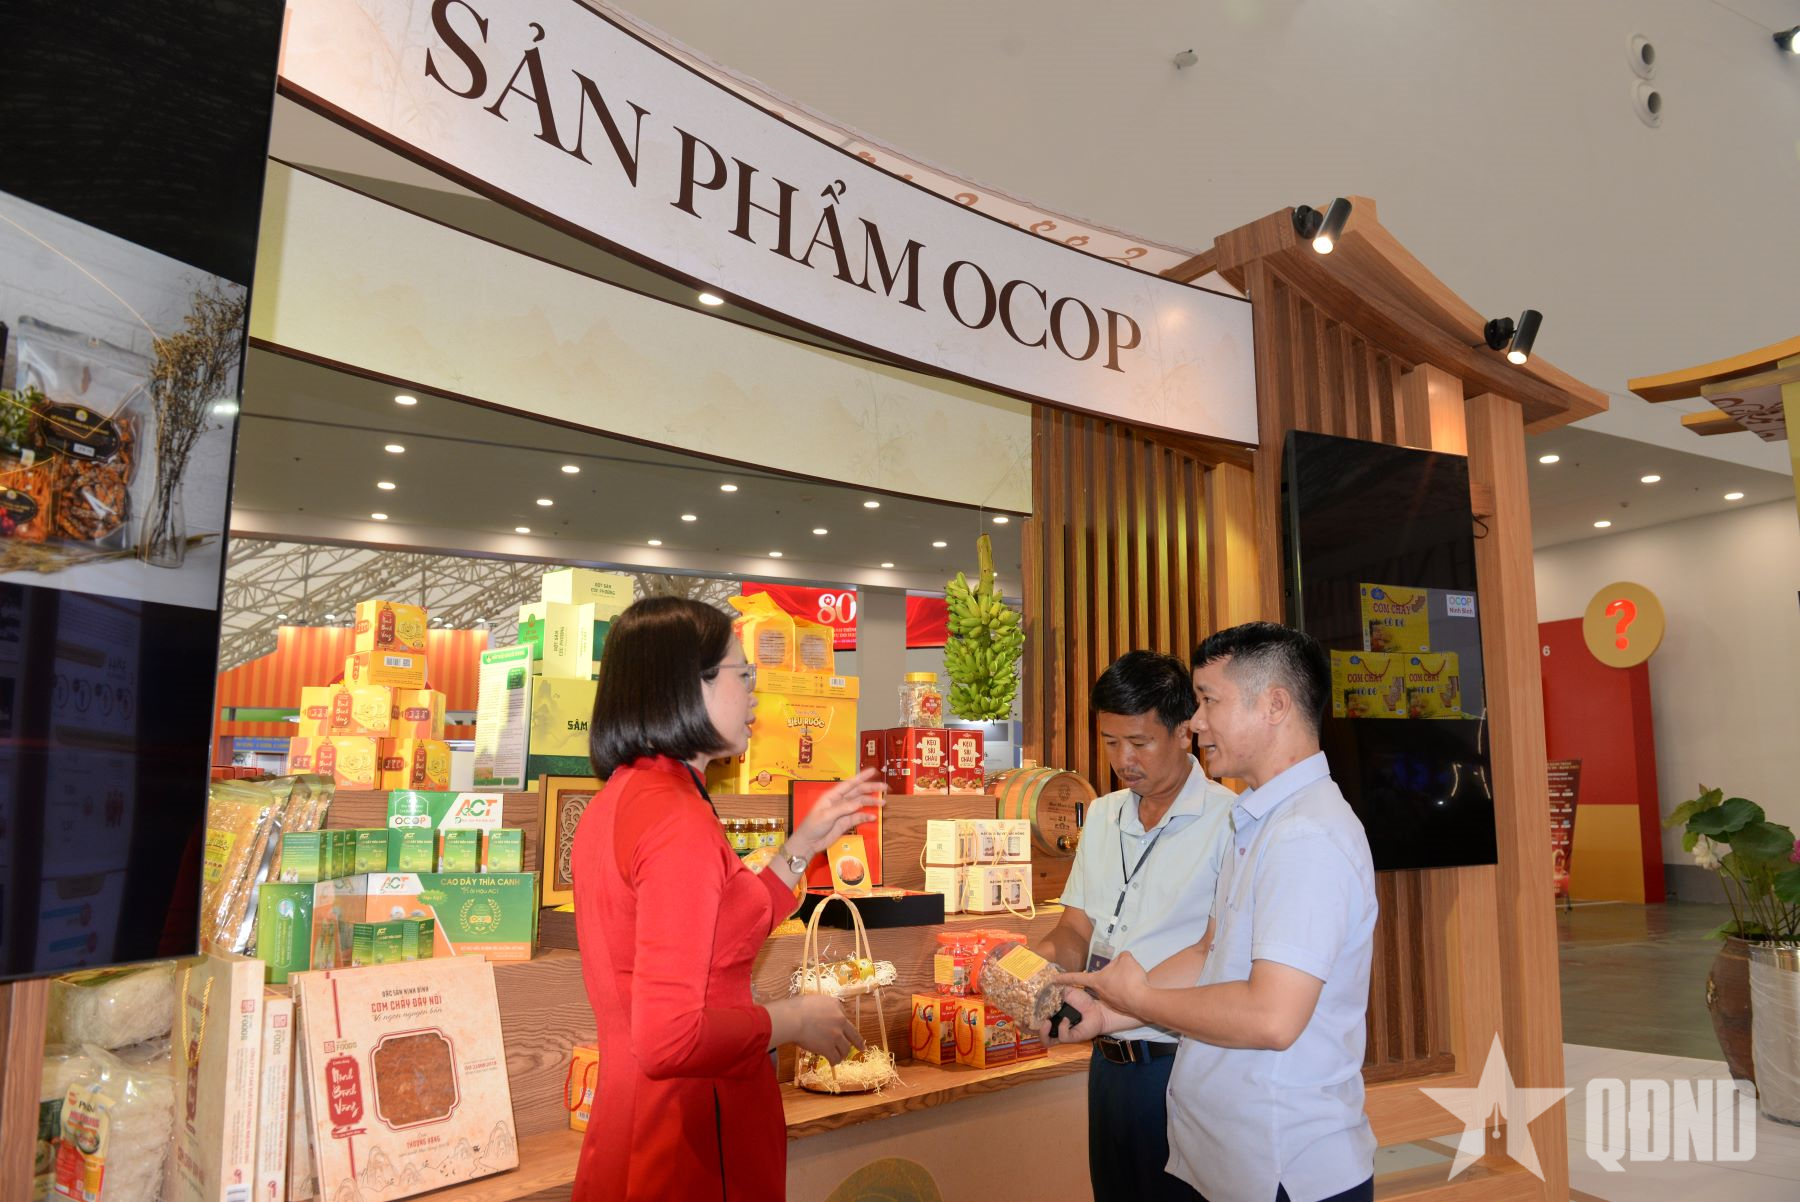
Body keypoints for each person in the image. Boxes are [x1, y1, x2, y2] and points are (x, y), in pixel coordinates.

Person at [571, 597, 886, 1201]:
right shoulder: (677, 819)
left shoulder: (623, 798)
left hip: (632, 1117)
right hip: (688, 1135)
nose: (755, 695)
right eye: (744, 674)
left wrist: (801, 846)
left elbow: (718, 932)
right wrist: (792, 1020)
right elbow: (669, 1037)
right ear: (689, 686)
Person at [1051, 622, 1378, 1202]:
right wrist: (1107, 1012)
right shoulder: (1259, 820)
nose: (1196, 722)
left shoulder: (1306, 835)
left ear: (1274, 705)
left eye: (1209, 701)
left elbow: (1272, 1017)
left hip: (1284, 1166)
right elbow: (1208, 951)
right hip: (1234, 1157)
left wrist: (1141, 1000)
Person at [1032, 650, 1236, 1202]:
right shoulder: (1102, 815)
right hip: (1106, 1064)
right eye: (1110, 742)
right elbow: (1076, 932)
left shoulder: (1229, 821)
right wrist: (1033, 970)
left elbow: (1215, 951)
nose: (1124, 759)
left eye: (1140, 743)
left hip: (1179, 1064)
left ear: (1184, 731)